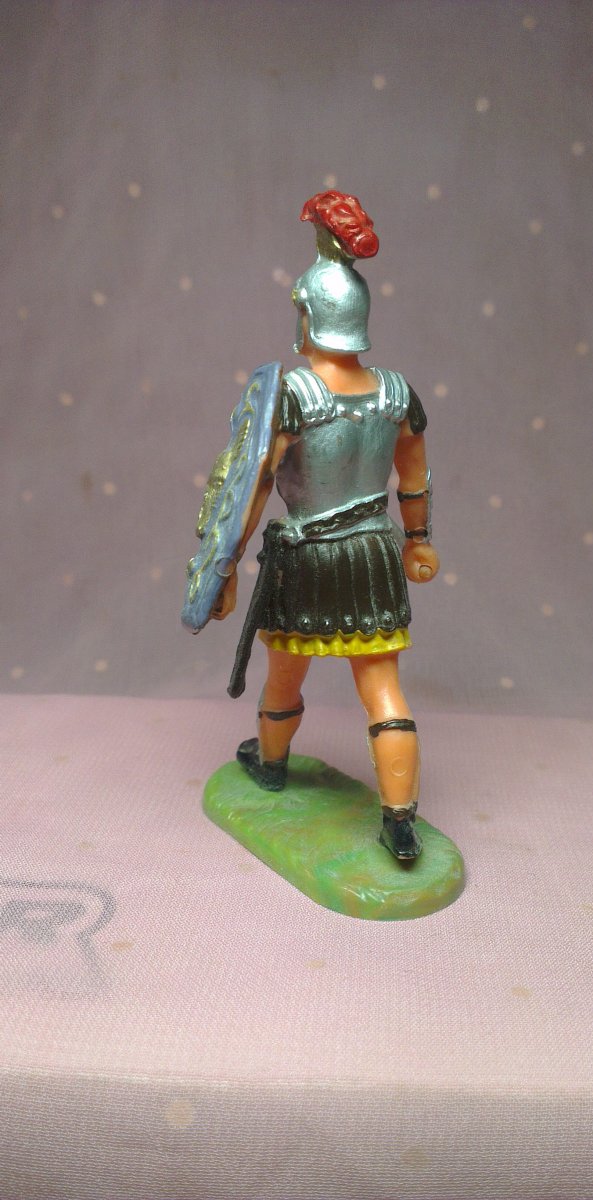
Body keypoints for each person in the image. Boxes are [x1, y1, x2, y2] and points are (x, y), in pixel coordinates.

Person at [213, 191, 438, 860]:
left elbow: (253, 487)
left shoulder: (292, 394)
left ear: (308, 318)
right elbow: (414, 476)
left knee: (286, 672)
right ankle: (399, 818)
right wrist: (418, 541)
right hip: (372, 553)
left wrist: (225, 567)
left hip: (307, 556)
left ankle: (272, 762)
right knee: (383, 686)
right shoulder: (397, 392)